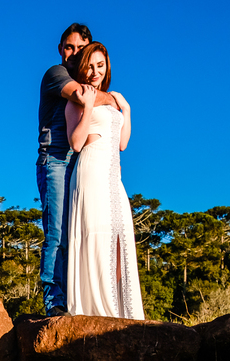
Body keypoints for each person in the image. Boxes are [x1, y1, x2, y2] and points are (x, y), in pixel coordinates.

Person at [63, 42, 146, 319]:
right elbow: (75, 143)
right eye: (90, 65)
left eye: (101, 65)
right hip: (91, 171)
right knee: (96, 238)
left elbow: (122, 144)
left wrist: (127, 111)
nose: (96, 71)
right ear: (83, 67)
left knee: (120, 241)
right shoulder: (78, 95)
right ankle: (98, 313)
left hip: (114, 177)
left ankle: (122, 312)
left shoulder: (113, 98)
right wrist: (87, 106)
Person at [37, 23, 91, 317]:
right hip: (55, 161)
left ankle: (75, 300)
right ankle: (54, 302)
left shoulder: (91, 82)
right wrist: (116, 99)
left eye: (80, 49)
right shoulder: (56, 75)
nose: (73, 53)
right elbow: (81, 96)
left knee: (79, 235)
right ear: (60, 49)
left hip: (81, 166)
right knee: (56, 233)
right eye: (69, 47)